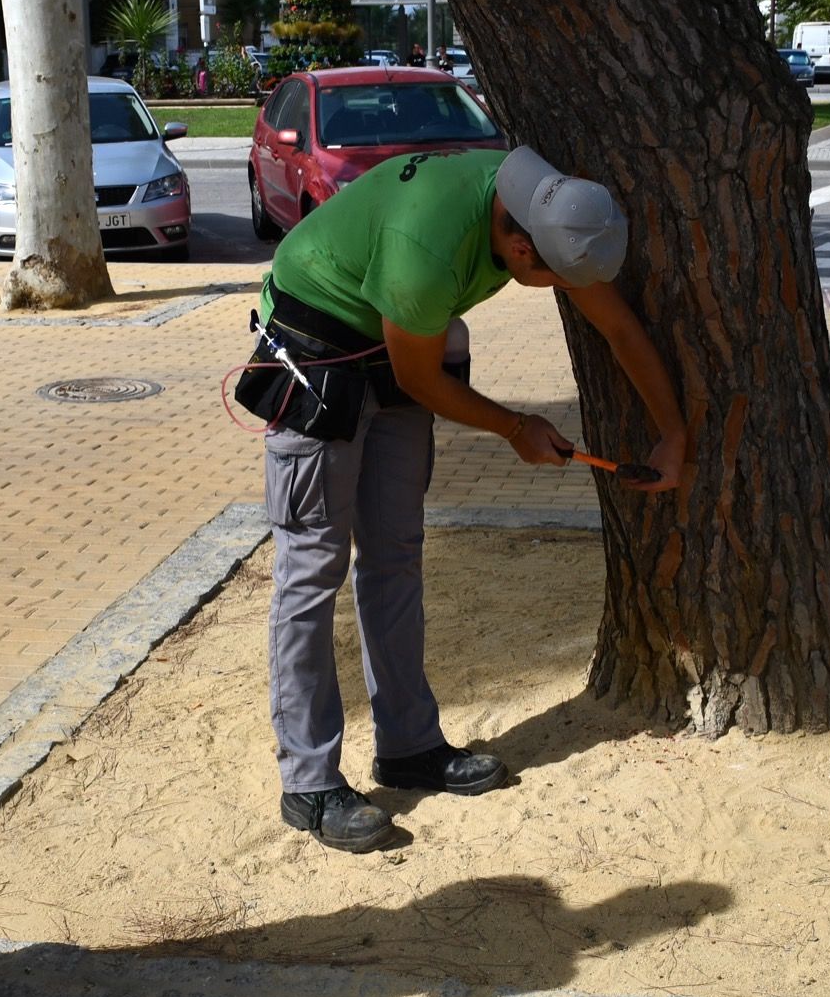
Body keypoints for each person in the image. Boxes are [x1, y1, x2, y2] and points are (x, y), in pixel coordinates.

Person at [247, 147, 686, 852]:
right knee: (313, 568)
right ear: (519, 245)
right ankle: (307, 783)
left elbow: (619, 326)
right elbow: (420, 380)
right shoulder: (429, 247)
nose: (553, 290)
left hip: (395, 333)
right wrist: (516, 427)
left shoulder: (545, 211)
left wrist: (673, 434)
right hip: (319, 339)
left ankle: (409, 744)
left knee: (395, 553)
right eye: (548, 281)